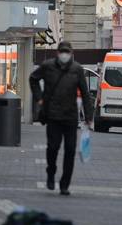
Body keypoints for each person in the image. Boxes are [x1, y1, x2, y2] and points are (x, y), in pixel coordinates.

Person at [29, 41, 93, 196]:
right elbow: (33, 78)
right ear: (58, 53)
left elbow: (85, 94)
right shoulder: (48, 66)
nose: (64, 54)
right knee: (53, 148)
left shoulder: (77, 69)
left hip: (70, 116)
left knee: (70, 150)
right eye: (62, 51)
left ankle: (65, 184)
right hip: (53, 115)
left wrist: (89, 117)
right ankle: (51, 173)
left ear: (71, 53)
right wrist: (39, 98)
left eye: (67, 52)